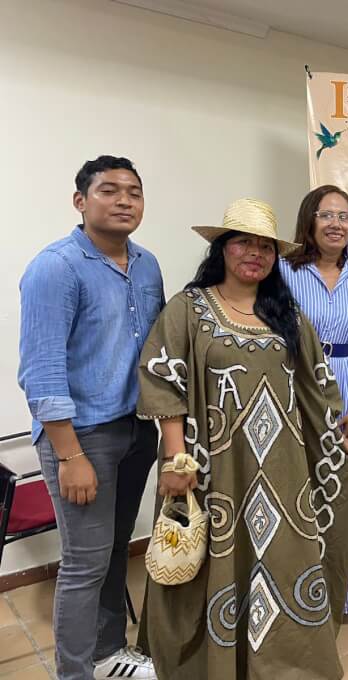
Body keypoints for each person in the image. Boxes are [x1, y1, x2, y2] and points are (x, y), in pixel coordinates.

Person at [138, 198, 348, 679]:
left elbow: (316, 384)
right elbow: (163, 379)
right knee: (213, 555)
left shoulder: (285, 313)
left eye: (265, 246)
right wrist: (176, 458)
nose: (255, 253)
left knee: (280, 557)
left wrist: (337, 436)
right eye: (243, 242)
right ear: (222, 248)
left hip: (280, 469)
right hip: (212, 465)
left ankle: (278, 659)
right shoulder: (190, 309)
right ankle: (211, 661)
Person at [18, 155, 161, 680]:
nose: (124, 201)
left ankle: (108, 654)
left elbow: (154, 351)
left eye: (134, 192)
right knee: (83, 564)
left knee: (116, 550)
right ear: (81, 202)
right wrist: (69, 454)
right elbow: (41, 372)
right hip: (82, 438)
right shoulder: (55, 267)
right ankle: (73, 673)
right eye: (109, 191)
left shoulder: (146, 263)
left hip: (135, 429)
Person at [281, 186, 348, 614]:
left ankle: (347, 588)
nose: (337, 224)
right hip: (298, 384)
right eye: (327, 215)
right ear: (309, 221)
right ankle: (299, 589)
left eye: (345, 217)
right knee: (301, 485)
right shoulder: (285, 273)